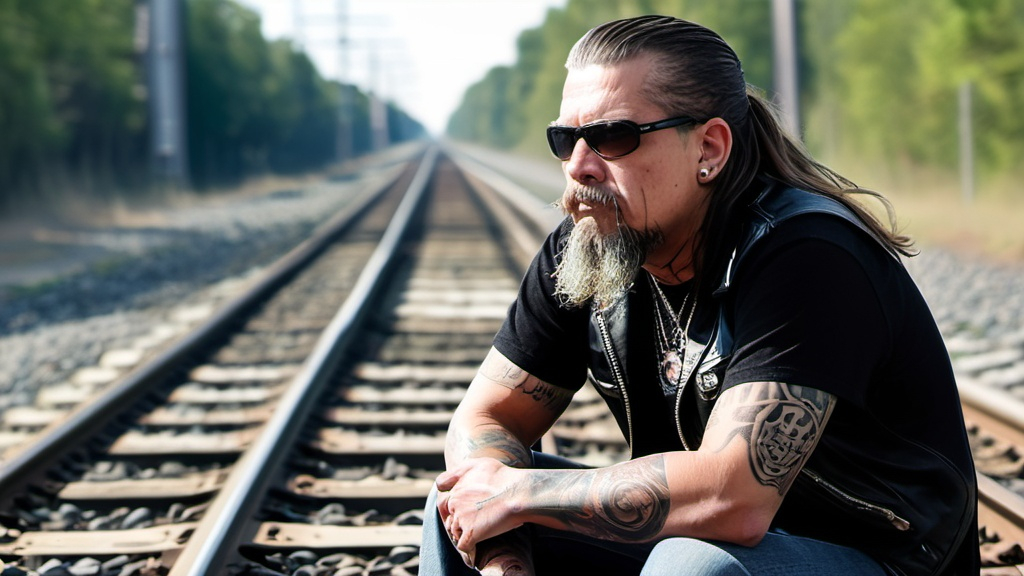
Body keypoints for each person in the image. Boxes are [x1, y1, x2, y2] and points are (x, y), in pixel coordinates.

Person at [421, 14, 978, 576]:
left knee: (694, 565)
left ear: (709, 148)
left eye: (613, 136)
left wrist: (518, 497)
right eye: (565, 140)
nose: (579, 168)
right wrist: (502, 550)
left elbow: (734, 496)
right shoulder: (591, 246)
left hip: (881, 560)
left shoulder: (807, 254)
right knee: (452, 506)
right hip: (723, 547)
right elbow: (487, 419)